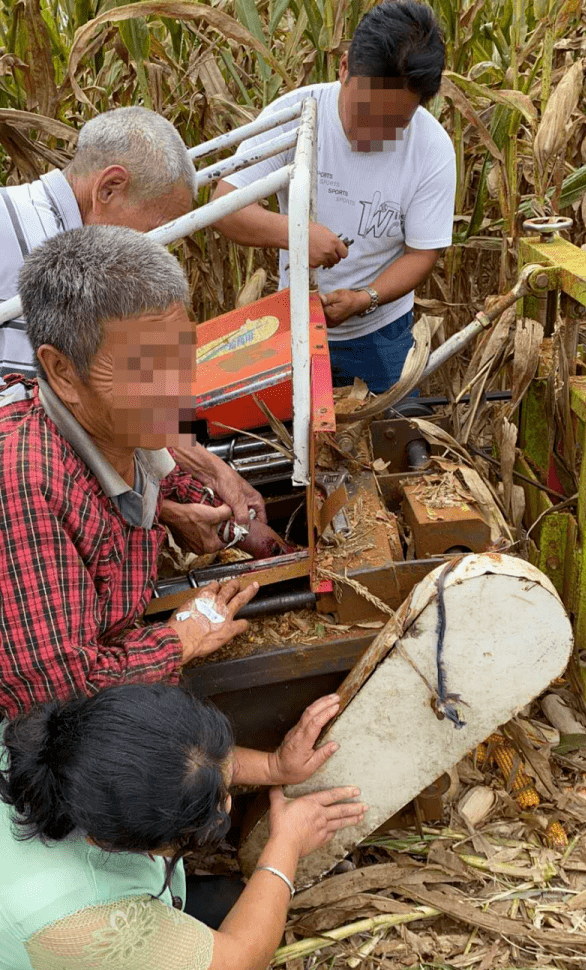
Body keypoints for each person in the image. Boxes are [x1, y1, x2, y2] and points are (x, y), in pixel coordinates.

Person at [0, 682, 367, 970]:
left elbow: (187, 759)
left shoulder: (59, 749)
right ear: (115, 843)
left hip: (30, 964)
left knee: (234, 901)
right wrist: (285, 845)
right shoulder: (72, 916)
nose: (227, 802)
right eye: (208, 814)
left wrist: (275, 767)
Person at [0, 224, 283, 718]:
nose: (178, 395)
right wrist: (181, 639)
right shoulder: (25, 482)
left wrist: (228, 505)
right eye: (146, 368)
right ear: (63, 371)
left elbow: (168, 463)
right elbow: (56, 699)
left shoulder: (118, 420)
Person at [0, 104, 266, 530]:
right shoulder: (33, 265)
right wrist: (165, 511)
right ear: (109, 188)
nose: (160, 250)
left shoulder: (39, 226)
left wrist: (211, 470)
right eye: (159, 229)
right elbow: (49, 443)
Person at [212, 0, 456, 394]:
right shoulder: (296, 116)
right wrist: (297, 234)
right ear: (344, 68)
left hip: (382, 334)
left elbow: (421, 253)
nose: (374, 132)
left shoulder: (432, 149)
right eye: (365, 112)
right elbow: (224, 206)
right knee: (297, 443)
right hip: (294, 324)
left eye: (395, 123)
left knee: (385, 439)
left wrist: (366, 298)